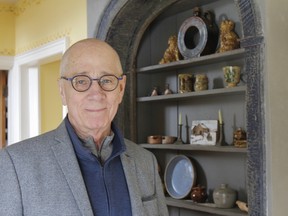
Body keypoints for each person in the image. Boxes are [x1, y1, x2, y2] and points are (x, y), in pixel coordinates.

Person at [0, 38, 168, 216]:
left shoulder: (146, 161)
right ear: (62, 91)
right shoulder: (15, 165)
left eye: (107, 80)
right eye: (81, 81)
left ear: (120, 88)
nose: (96, 94)